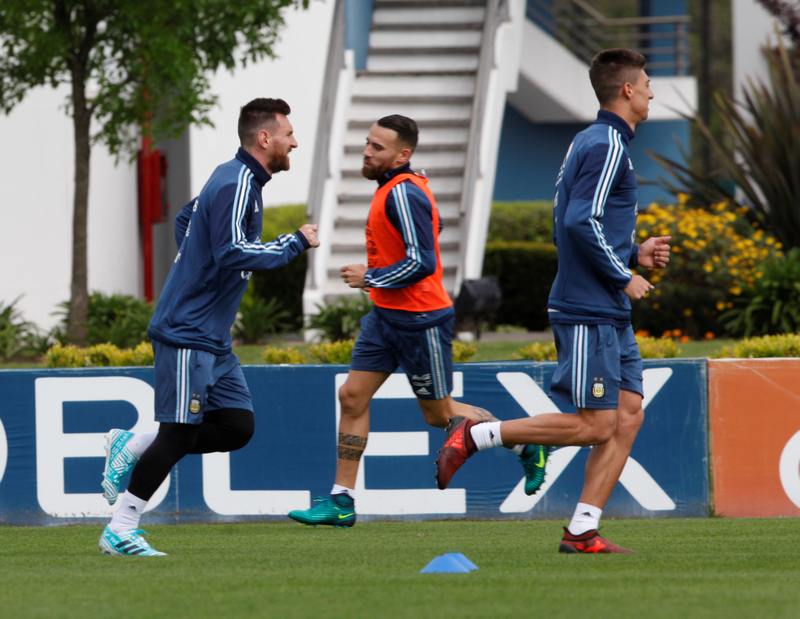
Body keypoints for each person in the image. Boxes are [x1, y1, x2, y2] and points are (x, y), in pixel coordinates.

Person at [436, 49, 672, 554]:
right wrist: (622, 272)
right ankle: (480, 435)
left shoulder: (591, 141)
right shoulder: (607, 144)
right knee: (597, 423)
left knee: (628, 414)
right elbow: (576, 222)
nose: (653, 92)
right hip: (590, 306)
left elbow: (576, 221)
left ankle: (583, 529)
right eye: (648, 83)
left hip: (606, 308)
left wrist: (634, 250)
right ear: (627, 90)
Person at [287, 114, 548, 527]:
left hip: (420, 319)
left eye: (378, 147)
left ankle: (525, 445)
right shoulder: (399, 189)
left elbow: (421, 262)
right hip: (386, 317)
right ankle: (341, 501)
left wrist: (369, 276)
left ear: (402, 154)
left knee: (439, 414)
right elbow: (432, 227)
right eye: (368, 143)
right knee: (352, 396)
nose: (367, 151)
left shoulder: (403, 193)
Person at [98, 98, 319, 556]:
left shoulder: (237, 179)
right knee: (178, 432)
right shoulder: (237, 181)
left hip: (211, 338)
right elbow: (233, 251)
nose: (294, 141)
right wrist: (293, 242)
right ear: (265, 138)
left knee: (237, 427)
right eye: (288, 133)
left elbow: (188, 221)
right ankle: (120, 527)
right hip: (187, 332)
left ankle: (134, 442)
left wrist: (197, 268)